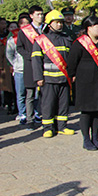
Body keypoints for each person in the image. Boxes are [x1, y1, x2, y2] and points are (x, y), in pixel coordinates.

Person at [67, 15, 98, 150]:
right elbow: (72, 63)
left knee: (97, 111)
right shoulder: (79, 43)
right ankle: (86, 139)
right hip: (84, 82)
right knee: (86, 112)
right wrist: (72, 76)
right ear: (89, 28)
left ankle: (95, 138)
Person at [31, 10, 74, 138]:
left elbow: (71, 59)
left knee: (63, 104)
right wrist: (38, 77)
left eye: (61, 22)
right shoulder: (41, 40)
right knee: (48, 105)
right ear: (49, 24)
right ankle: (48, 128)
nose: (60, 25)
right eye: (57, 22)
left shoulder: (66, 38)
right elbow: (36, 60)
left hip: (64, 78)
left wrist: (72, 74)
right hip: (48, 79)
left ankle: (62, 126)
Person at [17, 5, 44, 130]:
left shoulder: (46, 29)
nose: (40, 16)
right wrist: (30, 56)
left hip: (44, 64)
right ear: (31, 16)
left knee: (45, 93)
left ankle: (44, 116)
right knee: (30, 94)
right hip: (30, 65)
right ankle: (30, 119)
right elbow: (20, 48)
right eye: (38, 14)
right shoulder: (25, 31)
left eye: (41, 14)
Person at [6, 16, 26, 124]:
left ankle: (34, 113)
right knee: (20, 93)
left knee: (33, 95)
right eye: (22, 24)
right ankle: (22, 113)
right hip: (19, 69)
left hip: (31, 69)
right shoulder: (13, 39)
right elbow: (9, 54)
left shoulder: (34, 36)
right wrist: (14, 64)